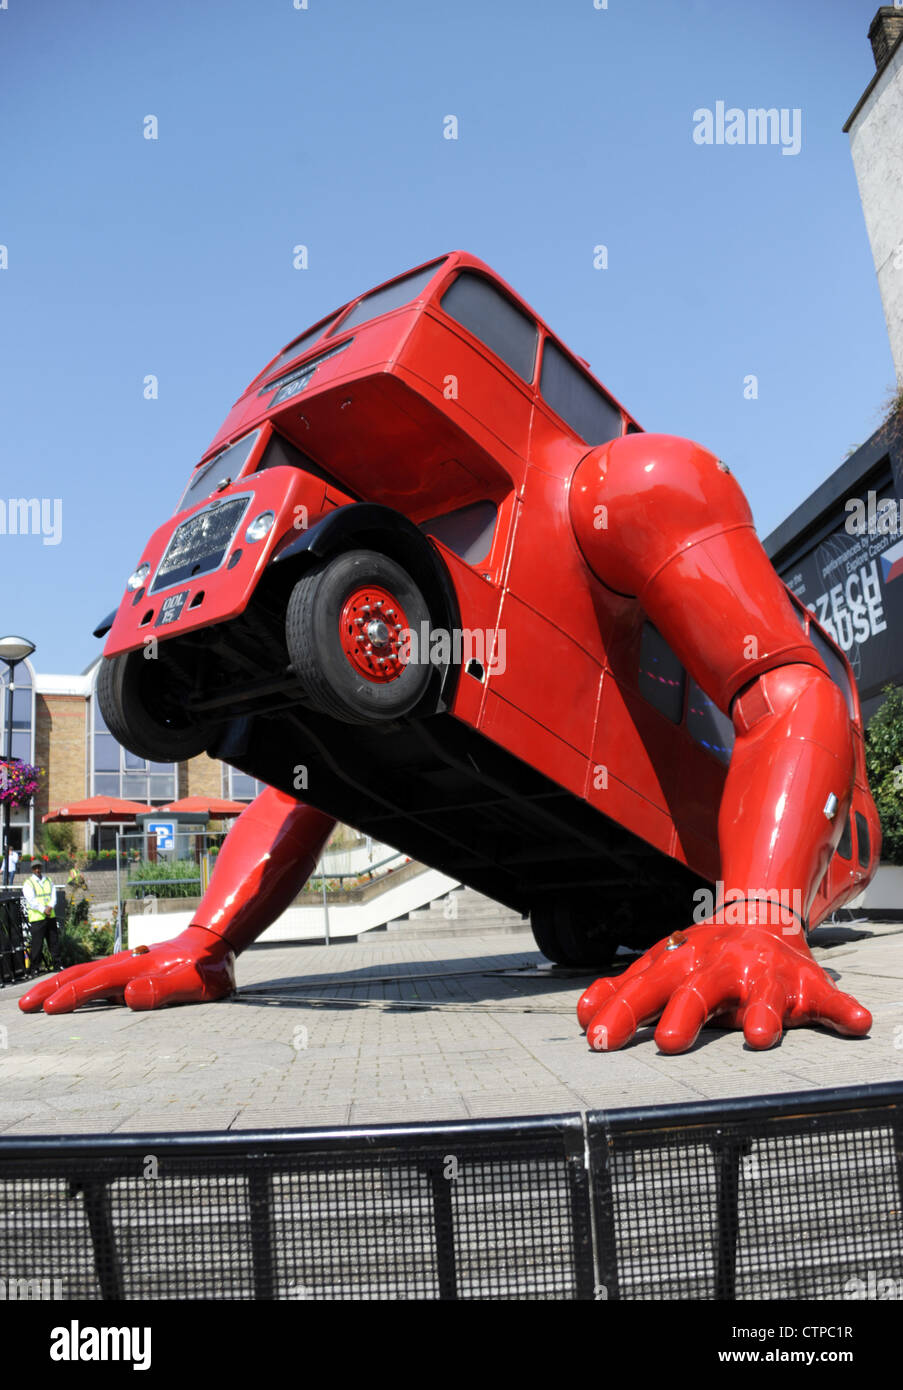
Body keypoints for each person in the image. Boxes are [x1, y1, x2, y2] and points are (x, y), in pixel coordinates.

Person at [22, 859, 62, 977]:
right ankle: (35, 968)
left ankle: (57, 964)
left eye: (39, 867)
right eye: (35, 868)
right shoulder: (28, 883)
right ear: (32, 870)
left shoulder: (48, 881)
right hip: (37, 917)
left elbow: (53, 896)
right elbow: (31, 899)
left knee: (53, 942)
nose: (37, 870)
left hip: (50, 916)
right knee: (37, 945)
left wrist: (50, 906)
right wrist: (43, 909)